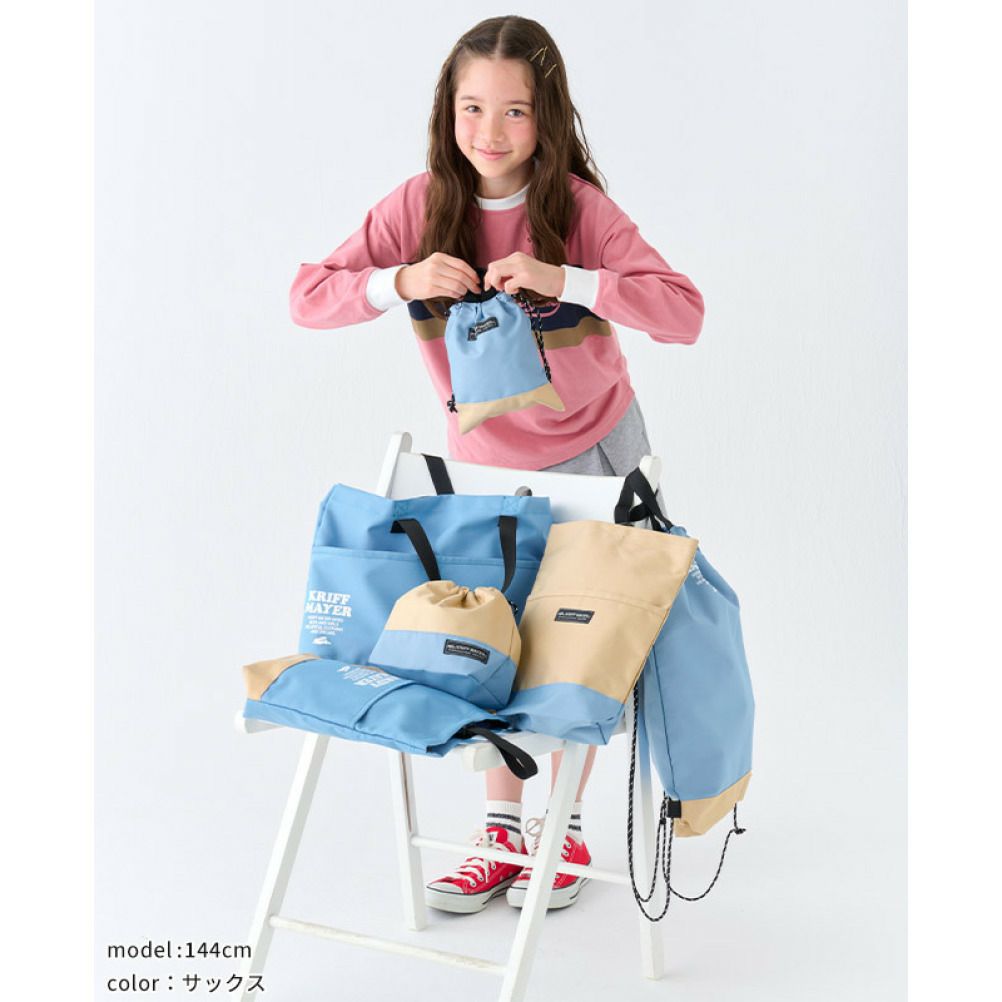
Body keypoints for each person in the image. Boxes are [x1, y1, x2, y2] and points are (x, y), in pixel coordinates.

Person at [289, 15, 704, 914]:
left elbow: (684, 313)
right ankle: (502, 833)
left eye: (515, 111)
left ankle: (566, 829)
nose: (490, 131)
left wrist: (571, 280)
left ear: (547, 117)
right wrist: (399, 281)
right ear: (447, 111)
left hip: (595, 454)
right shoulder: (417, 205)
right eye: (472, 107)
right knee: (490, 637)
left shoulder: (580, 210)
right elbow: (308, 297)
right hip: (482, 466)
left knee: (575, 649)